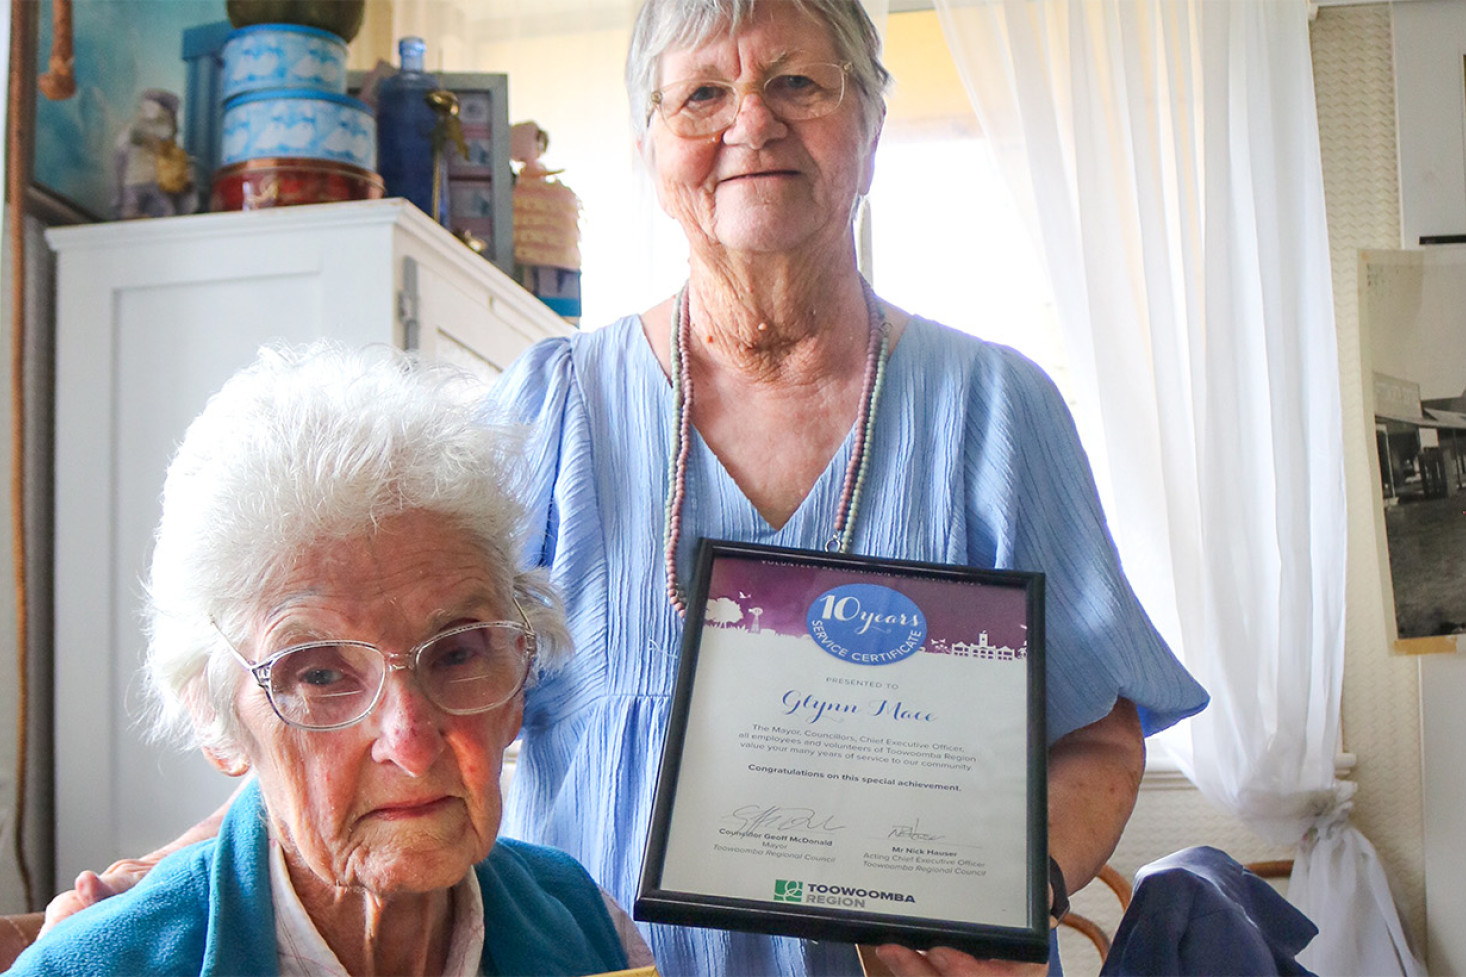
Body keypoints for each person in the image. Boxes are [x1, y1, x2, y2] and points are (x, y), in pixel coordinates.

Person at [43, 1, 1208, 974]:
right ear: (652, 147)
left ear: (869, 119)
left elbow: (1095, 738)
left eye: (797, 83)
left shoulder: (996, 407)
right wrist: (174, 872)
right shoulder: (547, 403)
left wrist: (1018, 890)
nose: (750, 123)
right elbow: (368, 694)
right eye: (701, 96)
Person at [13, 343, 652, 976]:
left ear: (519, 685)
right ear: (217, 718)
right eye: (319, 674)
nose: (410, 742)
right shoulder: (100, 967)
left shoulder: (583, 922)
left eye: (456, 653)